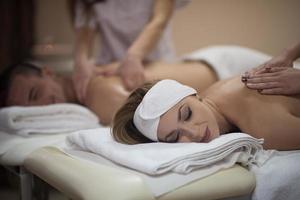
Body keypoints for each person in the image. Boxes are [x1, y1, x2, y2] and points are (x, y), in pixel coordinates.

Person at [0, 46, 278, 125]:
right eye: (30, 110)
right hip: (209, 68)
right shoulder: (93, 89)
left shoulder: (98, 92)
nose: (42, 108)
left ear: (48, 72)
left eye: (35, 94)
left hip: (228, 68)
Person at [112, 78, 300, 151]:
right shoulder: (211, 99)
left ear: (195, 95)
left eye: (187, 115)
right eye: (175, 137)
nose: (192, 133)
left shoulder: (265, 128)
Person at [72, 0, 187, 103]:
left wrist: (134, 55)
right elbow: (85, 27)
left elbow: (160, 19)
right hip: (108, 66)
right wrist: (80, 60)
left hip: (154, 63)